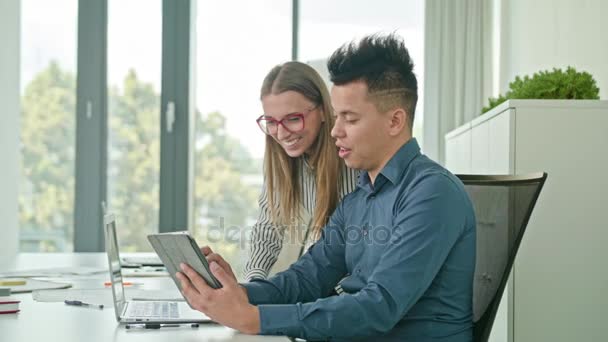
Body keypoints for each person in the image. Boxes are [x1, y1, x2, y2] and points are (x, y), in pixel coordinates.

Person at [176, 34, 477, 341]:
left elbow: (377, 308)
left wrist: (255, 318)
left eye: (349, 118)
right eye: (337, 117)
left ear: (395, 121)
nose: (335, 131)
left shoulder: (432, 194)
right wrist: (237, 292)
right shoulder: (358, 200)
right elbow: (305, 280)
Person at [244, 61, 359, 281]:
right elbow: (269, 228)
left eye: (294, 119)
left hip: (339, 295)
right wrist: (254, 283)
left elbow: (355, 249)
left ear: (325, 111)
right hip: (305, 288)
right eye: (271, 122)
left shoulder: (351, 158)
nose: (281, 133)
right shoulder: (280, 160)